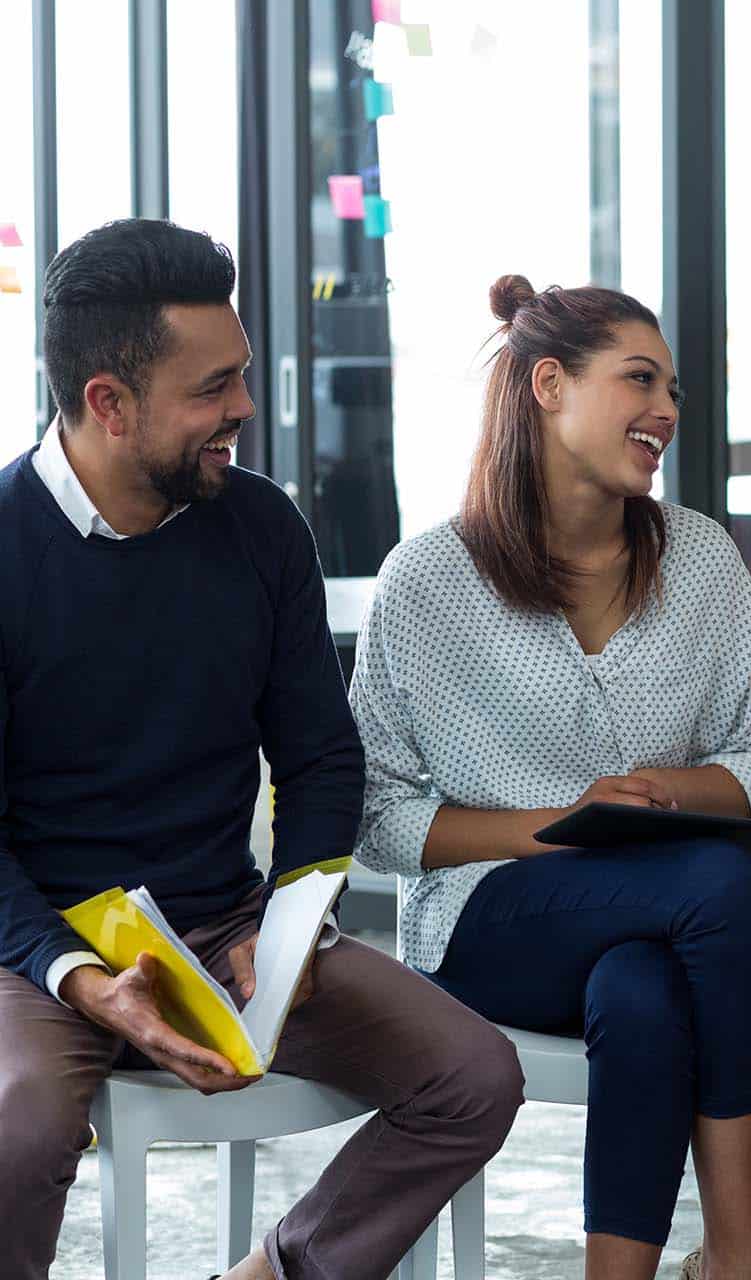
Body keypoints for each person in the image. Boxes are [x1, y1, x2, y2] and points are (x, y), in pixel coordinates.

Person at [0, 218, 525, 1280]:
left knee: (476, 1074)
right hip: (35, 938)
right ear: (108, 401)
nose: (243, 406)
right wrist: (76, 974)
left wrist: (291, 915)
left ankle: (272, 1274)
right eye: (213, 387)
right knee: (16, 1134)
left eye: (239, 377)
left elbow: (323, 760)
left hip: (227, 923)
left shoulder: (261, 524)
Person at [350, 275, 751, 1280]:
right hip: (484, 923)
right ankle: (742, 1246)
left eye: (673, 387)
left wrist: (673, 792)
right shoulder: (427, 579)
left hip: (653, 920)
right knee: (722, 885)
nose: (668, 411)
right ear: (548, 383)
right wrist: (559, 824)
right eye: (640, 379)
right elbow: (374, 813)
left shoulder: (704, 561)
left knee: (640, 991)